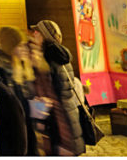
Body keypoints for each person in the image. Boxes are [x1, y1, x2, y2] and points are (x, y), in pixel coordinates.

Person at [28, 19, 84, 156]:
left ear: (44, 35)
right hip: (69, 113)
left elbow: (49, 94)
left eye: (37, 32)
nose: (34, 34)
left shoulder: (46, 59)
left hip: (58, 121)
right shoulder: (62, 56)